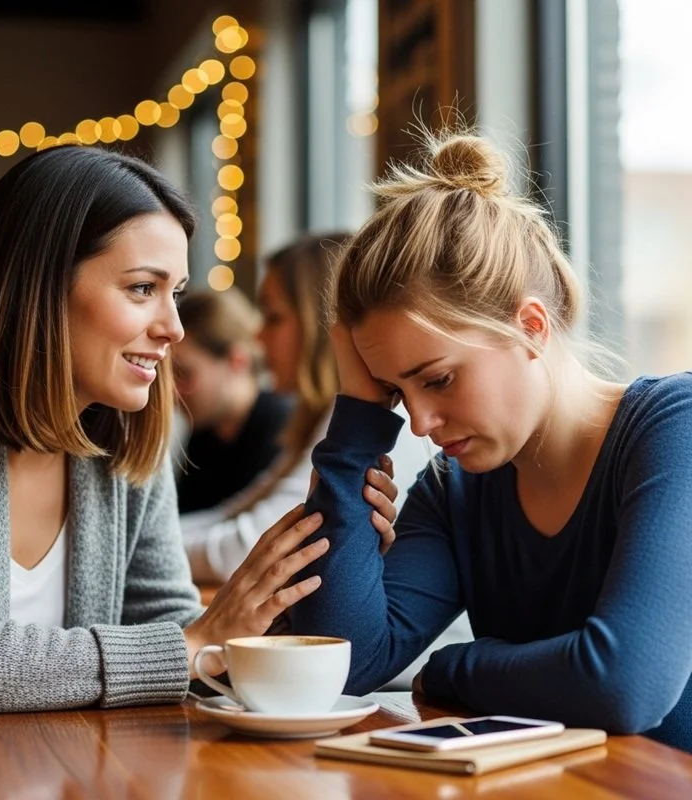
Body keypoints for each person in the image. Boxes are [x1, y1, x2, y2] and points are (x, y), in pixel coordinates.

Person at [0, 145, 342, 715]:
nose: (174, 328)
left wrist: (274, 615)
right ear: (39, 284)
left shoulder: (125, 439)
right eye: (141, 289)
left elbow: (179, 637)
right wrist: (194, 644)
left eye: (175, 292)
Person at [288, 130, 692, 752]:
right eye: (397, 391)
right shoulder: (457, 489)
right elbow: (341, 663)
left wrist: (455, 667)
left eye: (439, 379)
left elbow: (624, 685)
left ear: (530, 326)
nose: (420, 423)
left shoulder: (676, 429)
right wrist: (356, 426)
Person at [180, 232, 421, 585]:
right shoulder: (316, 419)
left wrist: (138, 549)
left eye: (273, 317)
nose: (257, 339)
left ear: (323, 325)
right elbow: (235, 513)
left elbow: (253, 548)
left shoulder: (376, 425)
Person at [173, 288, 292, 514]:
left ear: (237, 361)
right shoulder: (204, 433)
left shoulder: (282, 428)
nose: (172, 393)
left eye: (183, 374)